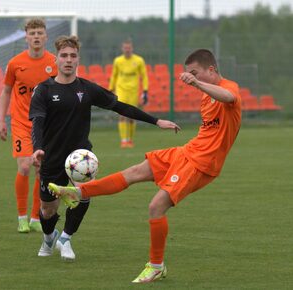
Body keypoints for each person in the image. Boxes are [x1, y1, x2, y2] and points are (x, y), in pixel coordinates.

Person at [49, 48, 241, 282]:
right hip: (188, 151)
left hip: (202, 162)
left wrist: (197, 84)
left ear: (211, 69)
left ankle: (156, 265)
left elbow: (229, 97)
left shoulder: (228, 88)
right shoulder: (206, 95)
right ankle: (77, 191)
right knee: (135, 171)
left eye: (195, 73)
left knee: (156, 207)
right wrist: (199, 86)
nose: (192, 78)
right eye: (190, 74)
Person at [29, 35, 180, 261]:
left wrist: (156, 121)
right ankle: (49, 237)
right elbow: (38, 121)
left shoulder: (87, 89)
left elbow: (120, 107)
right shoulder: (44, 90)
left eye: (73, 56)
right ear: (56, 59)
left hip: (81, 157)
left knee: (85, 194)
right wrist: (38, 148)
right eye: (64, 56)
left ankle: (66, 239)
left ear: (78, 59)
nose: (68, 60)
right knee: (48, 210)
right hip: (50, 156)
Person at [0, 18, 57, 233]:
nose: (36, 37)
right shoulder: (15, 63)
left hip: (45, 126)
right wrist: (1, 120)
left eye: (40, 33)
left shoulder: (55, 63)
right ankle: (22, 216)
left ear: (46, 36)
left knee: (41, 169)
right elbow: (6, 91)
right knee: (24, 166)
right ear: (26, 37)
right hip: (21, 122)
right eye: (32, 33)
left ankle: (35, 218)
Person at [109, 39, 149, 148]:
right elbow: (114, 75)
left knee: (132, 116)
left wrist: (145, 90)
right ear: (122, 49)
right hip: (121, 90)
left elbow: (144, 76)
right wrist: (111, 88)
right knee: (121, 114)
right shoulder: (118, 61)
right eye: (125, 48)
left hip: (133, 91)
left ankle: (130, 140)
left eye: (129, 48)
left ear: (132, 48)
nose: (127, 50)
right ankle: (124, 140)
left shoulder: (139, 60)